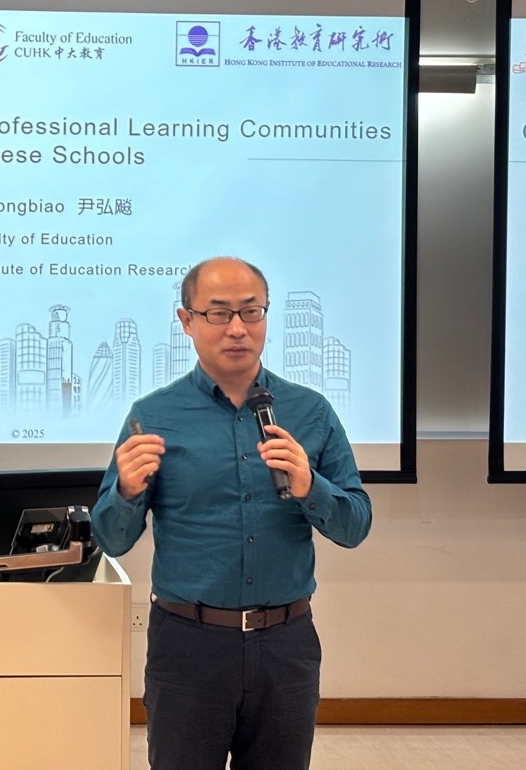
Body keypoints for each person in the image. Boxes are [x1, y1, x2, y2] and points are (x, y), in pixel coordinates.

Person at [90, 255, 372, 770]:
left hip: (286, 645)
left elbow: (355, 525)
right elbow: (112, 539)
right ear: (186, 321)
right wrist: (126, 492)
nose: (237, 328)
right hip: (188, 646)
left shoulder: (311, 411)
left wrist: (311, 486)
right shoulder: (153, 416)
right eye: (219, 313)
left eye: (251, 311)